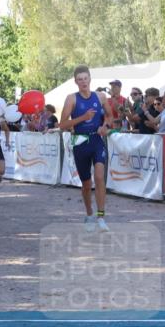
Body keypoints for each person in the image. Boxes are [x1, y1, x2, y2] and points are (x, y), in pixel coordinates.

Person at [60, 65, 111, 232]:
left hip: (96, 140)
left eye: (85, 78)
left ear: (90, 79)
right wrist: (83, 117)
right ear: (76, 82)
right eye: (80, 79)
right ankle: (89, 213)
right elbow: (62, 125)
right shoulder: (71, 99)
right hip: (80, 142)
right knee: (87, 184)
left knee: (99, 177)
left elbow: (110, 116)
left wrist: (105, 126)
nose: (83, 82)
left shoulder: (101, 96)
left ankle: (101, 217)